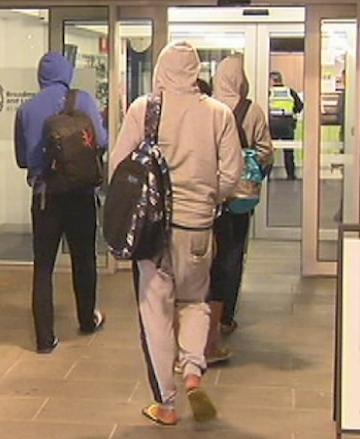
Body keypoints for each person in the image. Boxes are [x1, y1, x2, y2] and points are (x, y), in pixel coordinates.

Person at [111, 41, 242, 426]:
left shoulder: (144, 109)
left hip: (153, 231)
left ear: (162, 69)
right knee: (196, 301)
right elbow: (231, 175)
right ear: (196, 71)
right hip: (199, 227)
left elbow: (119, 166)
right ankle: (193, 371)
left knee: (156, 311)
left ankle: (166, 404)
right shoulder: (219, 113)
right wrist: (208, 198)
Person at [14, 51, 108, 354]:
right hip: (80, 195)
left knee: (43, 267)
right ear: (67, 73)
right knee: (84, 258)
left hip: (46, 197)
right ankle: (86, 319)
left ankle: (44, 339)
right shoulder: (83, 102)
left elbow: (21, 159)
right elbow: (101, 142)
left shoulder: (27, 109)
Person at [206, 56, 274, 362]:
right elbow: (265, 152)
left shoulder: (205, 107)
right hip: (240, 198)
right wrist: (253, 172)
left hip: (209, 196)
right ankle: (226, 316)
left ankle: (205, 314)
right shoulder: (253, 110)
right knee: (233, 255)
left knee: (209, 255)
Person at [268, 71, 303, 180]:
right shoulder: (290, 91)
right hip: (287, 123)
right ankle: (291, 175)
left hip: (272, 123)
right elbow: (300, 106)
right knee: (288, 151)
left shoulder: (269, 92)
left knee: (270, 151)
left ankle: (267, 176)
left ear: (272, 80)